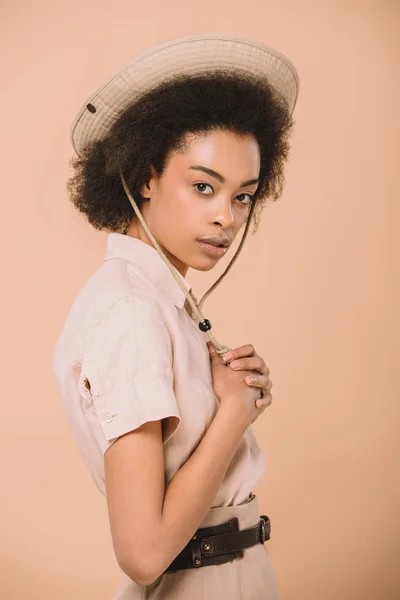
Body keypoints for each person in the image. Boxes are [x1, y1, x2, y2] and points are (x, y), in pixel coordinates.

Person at [52, 33, 299, 599]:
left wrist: (234, 390)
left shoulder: (156, 301)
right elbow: (142, 551)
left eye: (243, 196)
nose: (227, 218)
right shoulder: (133, 312)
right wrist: (233, 414)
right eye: (203, 186)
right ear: (144, 177)